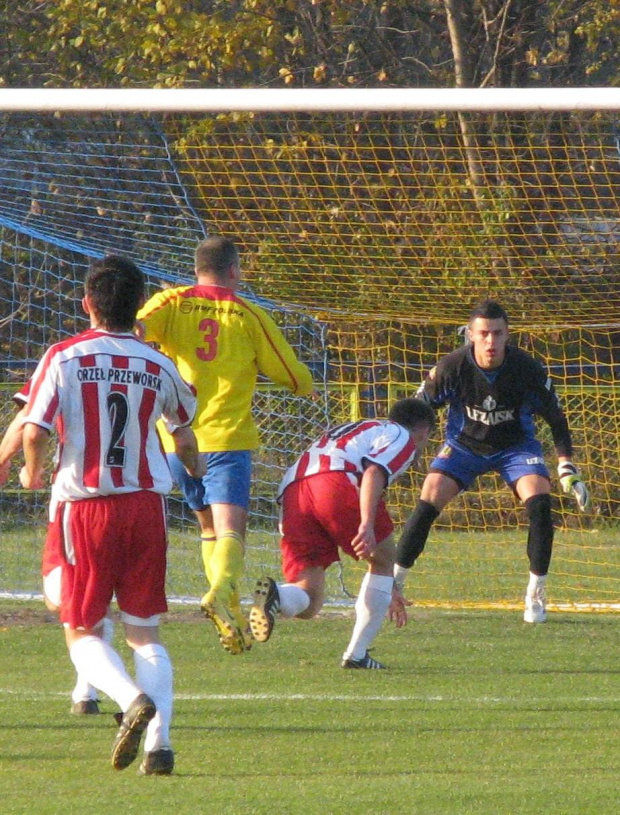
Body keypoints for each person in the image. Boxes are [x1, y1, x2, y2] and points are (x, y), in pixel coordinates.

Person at [19, 255, 202, 775]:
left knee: (81, 629)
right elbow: (184, 433)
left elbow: (34, 429)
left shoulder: (65, 356)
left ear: (87, 304)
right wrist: (196, 475)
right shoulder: (158, 361)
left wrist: (32, 473)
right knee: (145, 633)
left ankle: (128, 699)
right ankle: (160, 747)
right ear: (137, 308)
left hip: (88, 508)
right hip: (147, 506)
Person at [137, 235, 315, 655]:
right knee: (233, 529)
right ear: (234, 270)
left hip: (176, 442)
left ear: (197, 267)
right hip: (228, 441)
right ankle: (221, 591)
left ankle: (229, 610)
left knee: (207, 528)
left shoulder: (172, 302)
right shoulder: (249, 315)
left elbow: (132, 329)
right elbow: (294, 376)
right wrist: (297, 379)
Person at [393, 300, 589, 623]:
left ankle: (535, 593)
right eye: (483, 333)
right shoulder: (452, 367)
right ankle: (393, 584)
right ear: (470, 335)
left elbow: (557, 419)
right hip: (463, 446)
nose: (490, 341)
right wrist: (398, 451)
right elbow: (417, 411)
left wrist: (566, 465)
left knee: (540, 500)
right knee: (429, 495)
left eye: (497, 333)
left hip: (515, 447)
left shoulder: (527, 370)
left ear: (507, 335)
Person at [249, 397, 436, 669]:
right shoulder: (401, 436)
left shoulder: (362, 427)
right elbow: (374, 472)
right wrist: (366, 524)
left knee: (310, 600)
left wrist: (386, 587)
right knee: (384, 558)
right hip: (334, 482)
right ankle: (357, 655)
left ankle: (276, 594)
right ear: (424, 432)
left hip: (292, 492)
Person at [0, 390, 114, 716]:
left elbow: (29, 421)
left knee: (67, 595)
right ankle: (89, 691)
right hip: (139, 498)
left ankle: (116, 695)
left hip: (79, 502)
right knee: (135, 620)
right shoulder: (151, 360)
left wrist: (9, 460)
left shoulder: (64, 359)